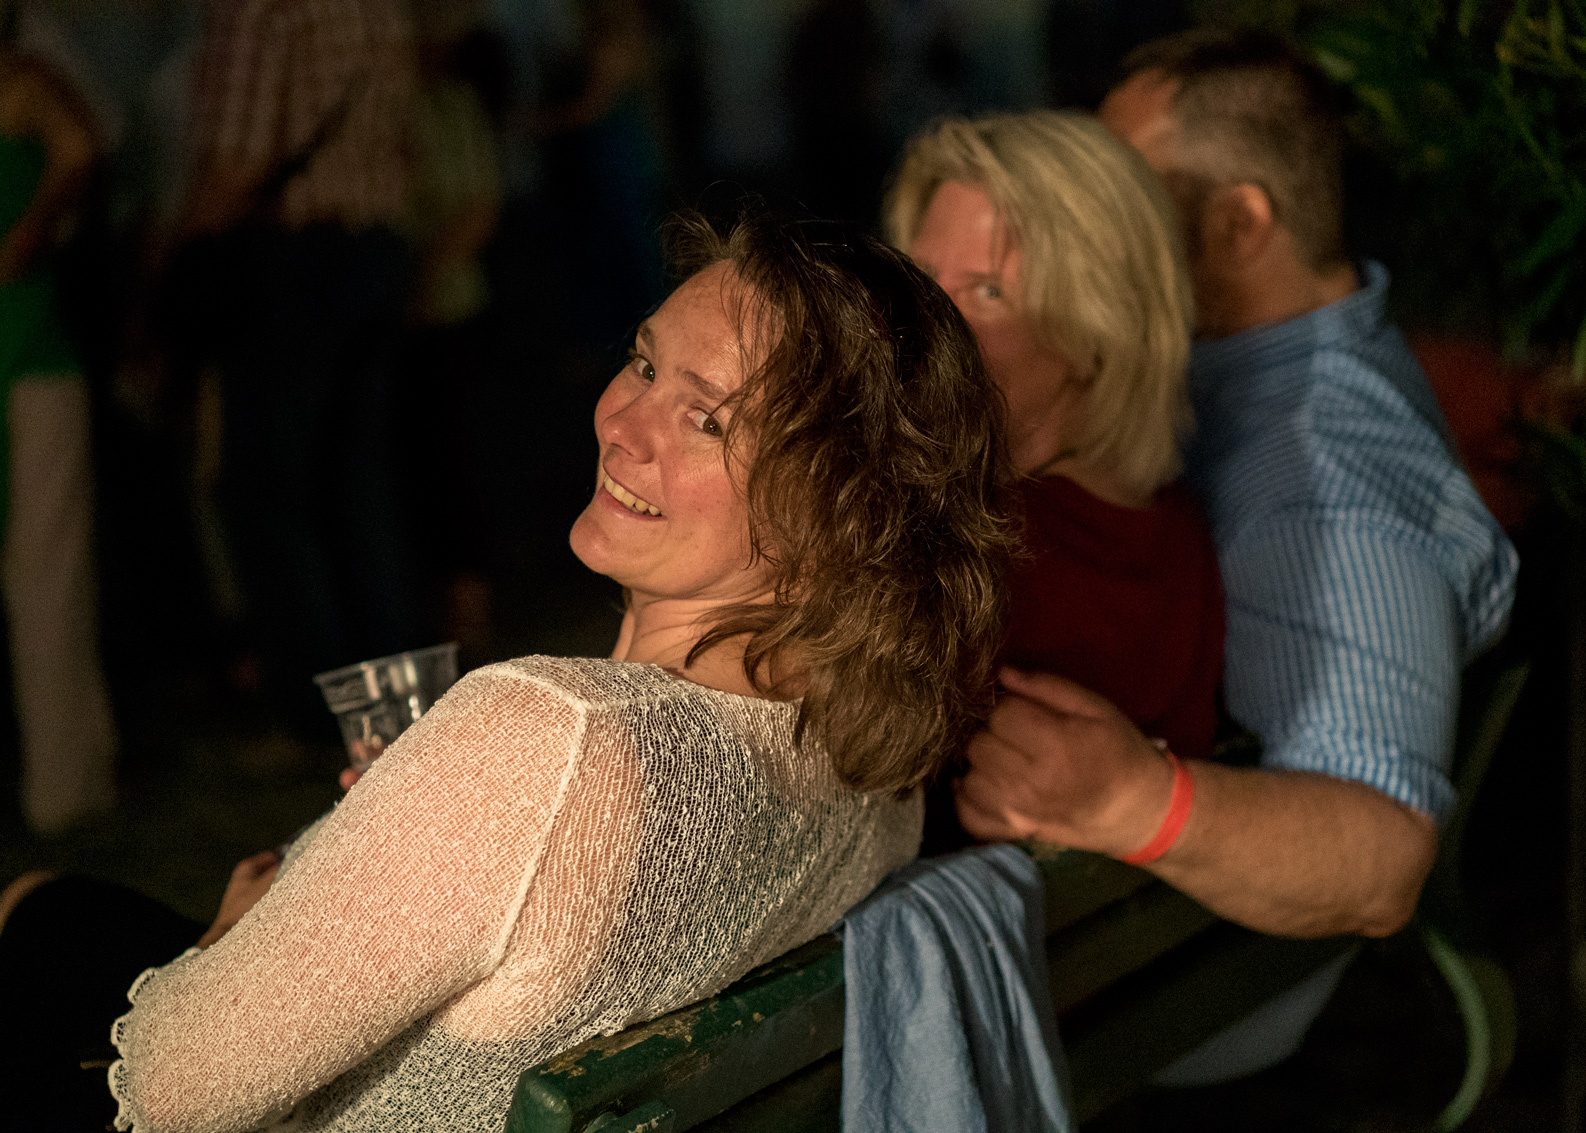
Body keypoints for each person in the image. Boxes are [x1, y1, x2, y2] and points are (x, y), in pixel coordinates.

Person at [0, 210, 1013, 1132]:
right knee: (48, 906)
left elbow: (170, 1087)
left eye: (705, 418)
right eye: (644, 363)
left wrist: (223, 941)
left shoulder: (550, 735)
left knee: (33, 923)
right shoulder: (876, 758)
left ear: (838, 514)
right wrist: (430, 816)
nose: (621, 422)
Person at [954, 27, 1518, 1076]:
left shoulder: (1322, 482)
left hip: (1197, 982)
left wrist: (1127, 798)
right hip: (1147, 939)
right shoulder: (1264, 375)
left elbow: (1377, 861)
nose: (1088, 223)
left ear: (1239, 222)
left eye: (1126, 191)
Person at [886, 110, 1224, 851]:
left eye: (988, 293)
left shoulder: (972, 554)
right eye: (922, 279)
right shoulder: (1175, 532)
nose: (925, 322)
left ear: (1098, 332)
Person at [172, 0, 421, 721]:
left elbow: (238, 160)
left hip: (294, 258)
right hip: (376, 244)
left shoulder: (264, 8)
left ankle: (309, 709)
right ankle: (388, 709)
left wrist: (171, 250)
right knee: (361, 488)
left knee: (271, 492)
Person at [0, 31, 116, 834]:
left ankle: (67, 781)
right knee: (47, 573)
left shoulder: (23, 81)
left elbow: (81, 148)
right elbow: (83, 147)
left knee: (46, 571)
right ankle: (65, 780)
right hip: (31, 350)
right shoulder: (24, 81)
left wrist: (31, 231)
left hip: (29, 347)